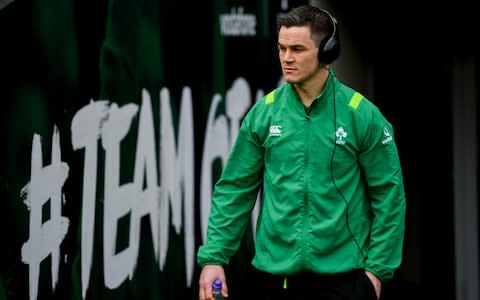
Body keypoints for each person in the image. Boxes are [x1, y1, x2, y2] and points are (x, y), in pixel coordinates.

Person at [197, 4, 406, 300]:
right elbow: (235, 189)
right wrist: (214, 259)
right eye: (282, 48)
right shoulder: (264, 114)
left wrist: (376, 272)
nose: (286, 58)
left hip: (345, 282)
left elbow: (389, 195)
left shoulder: (362, 115)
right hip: (276, 279)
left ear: (327, 52)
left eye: (297, 49)